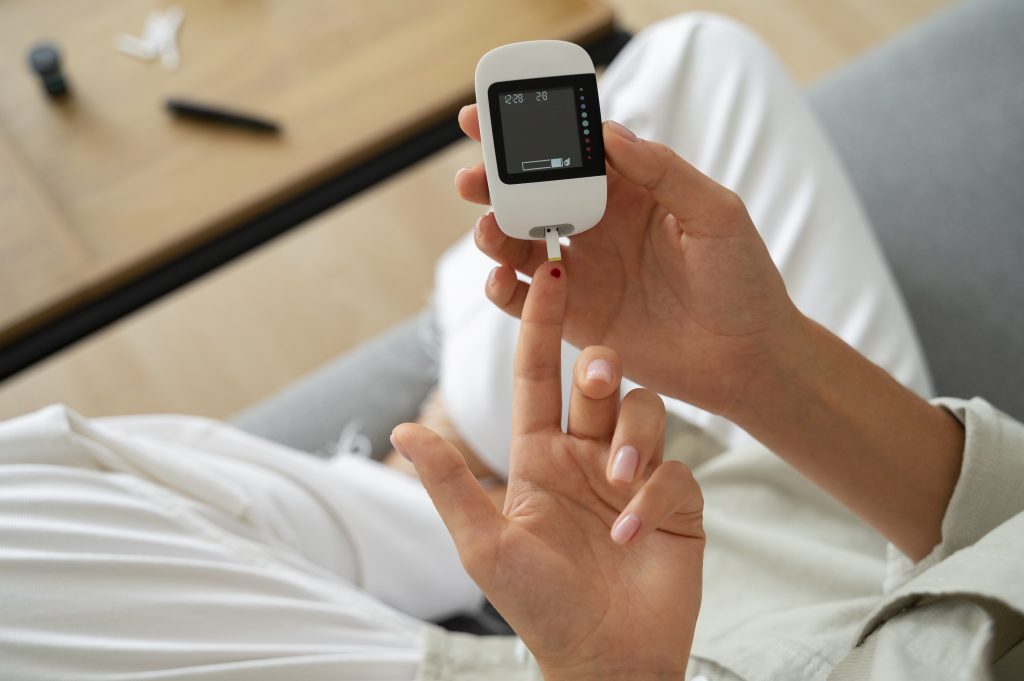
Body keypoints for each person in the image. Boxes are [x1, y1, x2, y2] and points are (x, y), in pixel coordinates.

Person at [1, 12, 1021, 681]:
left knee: (20, 500)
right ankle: (470, 450)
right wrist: (763, 367)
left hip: (621, 656)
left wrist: (610, 667)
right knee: (700, 58)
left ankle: (445, 512)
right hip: (851, 519)